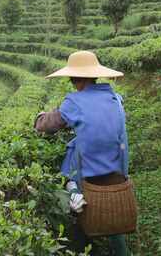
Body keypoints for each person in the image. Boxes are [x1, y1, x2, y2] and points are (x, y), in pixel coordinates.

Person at [34, 51, 130, 255]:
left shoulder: (75, 102)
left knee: (71, 190)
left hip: (90, 177)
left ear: (75, 81)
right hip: (118, 172)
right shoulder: (115, 97)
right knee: (115, 229)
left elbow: (48, 124)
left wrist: (40, 117)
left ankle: (83, 245)